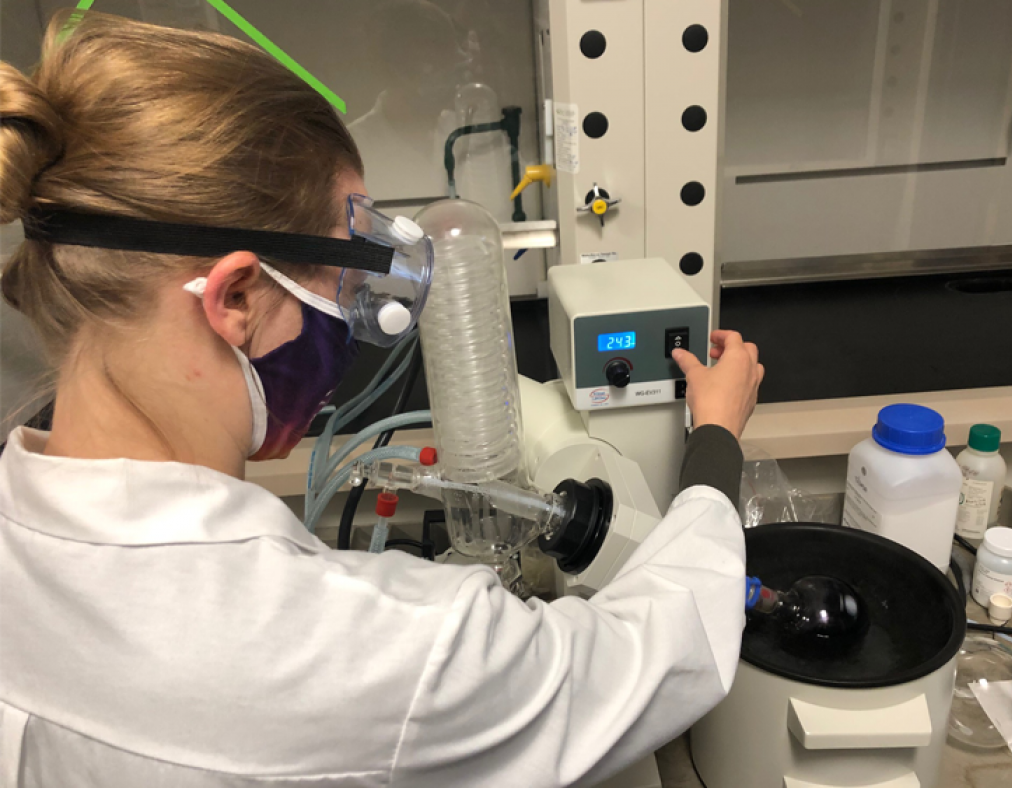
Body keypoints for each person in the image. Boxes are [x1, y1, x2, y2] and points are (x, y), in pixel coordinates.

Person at [0, 12, 763, 788]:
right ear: (234, 296)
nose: (351, 323)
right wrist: (714, 440)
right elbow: (667, 649)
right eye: (344, 289)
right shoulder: (374, 649)